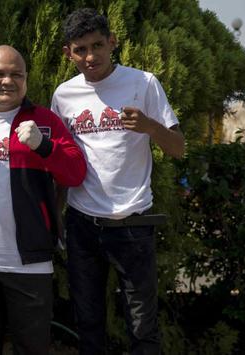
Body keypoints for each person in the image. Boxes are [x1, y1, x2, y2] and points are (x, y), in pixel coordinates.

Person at [51, 8, 185, 355]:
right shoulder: (63, 96)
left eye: (97, 45)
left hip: (133, 224)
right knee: (88, 324)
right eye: (80, 49)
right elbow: (64, 164)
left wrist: (151, 128)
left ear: (113, 42)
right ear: (68, 53)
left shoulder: (143, 83)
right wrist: (57, 217)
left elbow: (179, 148)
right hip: (82, 224)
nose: (90, 56)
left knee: (142, 327)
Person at [0, 45, 86, 355]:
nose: (7, 81)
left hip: (30, 265)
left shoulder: (45, 121)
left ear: (26, 80)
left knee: (32, 349)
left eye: (16, 74)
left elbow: (75, 174)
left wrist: (44, 146)